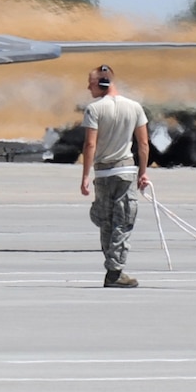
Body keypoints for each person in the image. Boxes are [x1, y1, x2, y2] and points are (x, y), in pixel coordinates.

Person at [78, 64, 151, 288]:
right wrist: (143, 172)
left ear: (102, 84)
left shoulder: (94, 109)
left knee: (107, 222)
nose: (88, 88)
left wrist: (85, 175)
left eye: (91, 84)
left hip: (103, 172)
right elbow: (143, 143)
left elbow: (90, 144)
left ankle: (114, 270)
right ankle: (115, 270)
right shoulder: (135, 107)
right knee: (122, 221)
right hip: (126, 172)